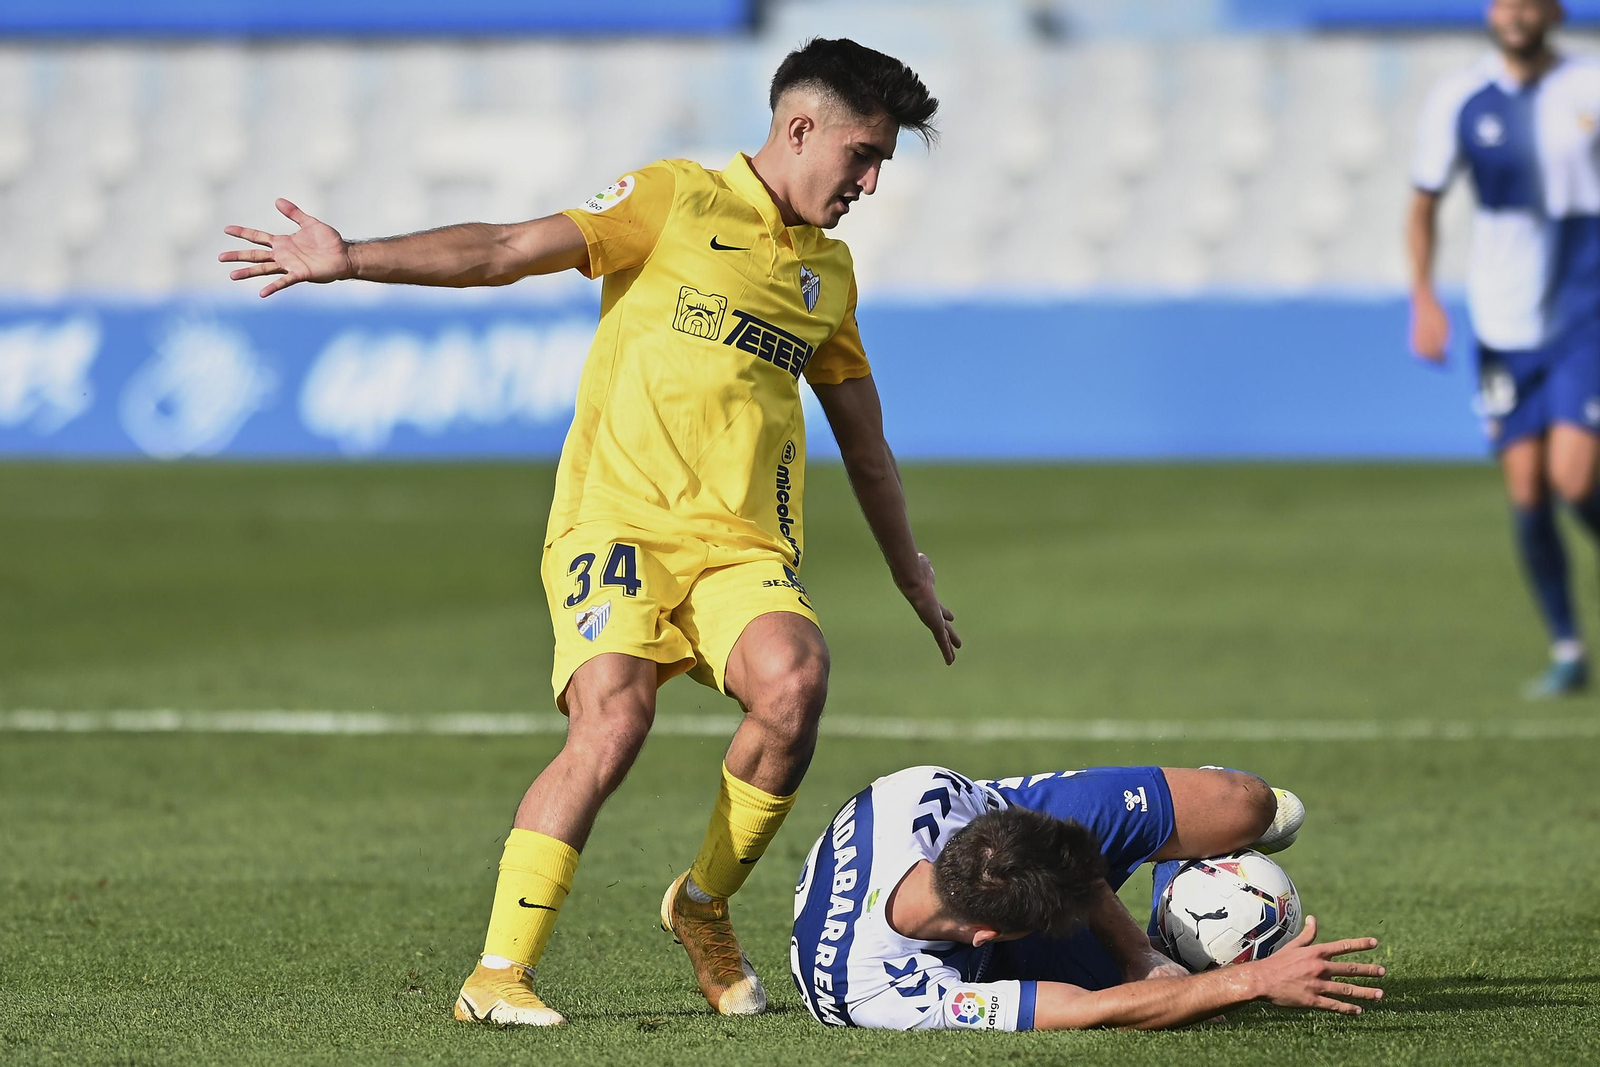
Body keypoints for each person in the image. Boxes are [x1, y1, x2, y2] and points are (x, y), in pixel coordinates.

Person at [220, 38, 959, 1026]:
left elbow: (865, 445)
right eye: (863, 154)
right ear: (799, 128)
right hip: (615, 519)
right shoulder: (674, 198)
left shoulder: (829, 277)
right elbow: (504, 249)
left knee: (795, 681)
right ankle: (497, 972)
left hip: (740, 548)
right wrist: (351, 258)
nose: (870, 180)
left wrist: (907, 566)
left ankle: (701, 903)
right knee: (613, 718)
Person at [789, 764, 1384, 1030]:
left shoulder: (922, 797)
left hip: (1009, 829)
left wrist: (1136, 954)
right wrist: (1252, 982)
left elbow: (1049, 853)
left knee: (1246, 805)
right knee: (1191, 997)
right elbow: (1086, 1011)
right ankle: (1175, 923)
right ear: (991, 937)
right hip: (976, 963)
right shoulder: (879, 991)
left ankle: (1177, 885)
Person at [1409, 0, 1600, 697]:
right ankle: (1568, 647)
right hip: (1501, 322)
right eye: (1504, 2)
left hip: (1586, 314)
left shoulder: (1590, 85)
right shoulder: (1459, 97)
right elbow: (1423, 201)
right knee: (1526, 489)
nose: (1516, 13)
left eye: (1530, 2)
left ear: (1555, 11)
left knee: (1575, 480)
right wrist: (1424, 297)